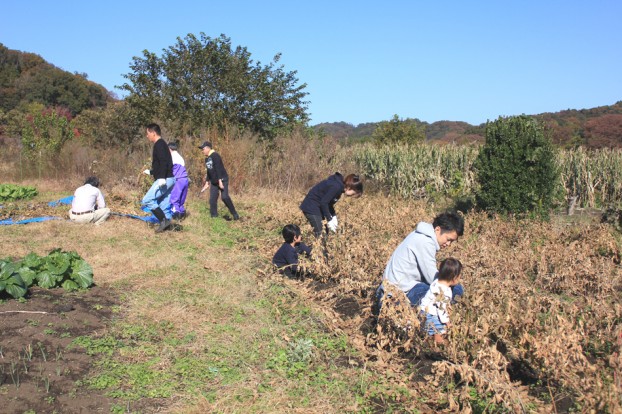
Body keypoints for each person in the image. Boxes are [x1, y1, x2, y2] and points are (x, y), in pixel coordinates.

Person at [376, 211, 464, 311]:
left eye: (451, 241)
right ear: (438, 229)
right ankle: (436, 316)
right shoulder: (425, 242)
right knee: (456, 289)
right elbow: (433, 280)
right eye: (448, 239)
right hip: (396, 297)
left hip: (389, 291)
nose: (448, 244)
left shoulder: (420, 234)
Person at [299, 173, 363, 238]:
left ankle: (321, 246)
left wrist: (333, 216)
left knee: (326, 232)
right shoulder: (336, 187)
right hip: (311, 206)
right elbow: (324, 203)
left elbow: (329, 204)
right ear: (350, 187)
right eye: (353, 194)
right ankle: (311, 247)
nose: (351, 196)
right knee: (320, 234)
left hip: (317, 207)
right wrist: (329, 219)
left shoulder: (339, 189)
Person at [141, 123, 176, 233]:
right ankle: (167, 225)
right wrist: (151, 171)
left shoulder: (159, 144)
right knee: (163, 204)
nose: (147, 136)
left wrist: (161, 178)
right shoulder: (162, 144)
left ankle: (163, 220)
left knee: (147, 200)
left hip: (165, 178)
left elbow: (164, 162)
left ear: (153, 133)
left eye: (148, 133)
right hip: (169, 178)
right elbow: (161, 164)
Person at [419, 258, 462, 345]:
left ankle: (427, 341)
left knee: (429, 331)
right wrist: (447, 322)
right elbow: (441, 309)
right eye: (459, 276)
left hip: (422, 311)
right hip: (431, 315)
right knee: (439, 332)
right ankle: (438, 346)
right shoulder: (444, 292)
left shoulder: (436, 282)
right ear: (454, 278)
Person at [199, 141, 239, 220]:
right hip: (214, 182)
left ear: (208, 148)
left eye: (203, 149)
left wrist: (220, 181)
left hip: (222, 179)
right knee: (212, 199)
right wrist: (207, 183)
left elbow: (218, 169)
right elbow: (209, 171)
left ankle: (234, 213)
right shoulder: (207, 159)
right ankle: (214, 216)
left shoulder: (215, 156)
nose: (202, 151)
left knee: (224, 197)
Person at [168, 142, 189, 219]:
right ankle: (182, 214)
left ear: (169, 149)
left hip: (178, 179)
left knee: (174, 199)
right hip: (185, 179)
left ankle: (176, 217)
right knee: (181, 199)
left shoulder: (172, 157)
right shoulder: (180, 157)